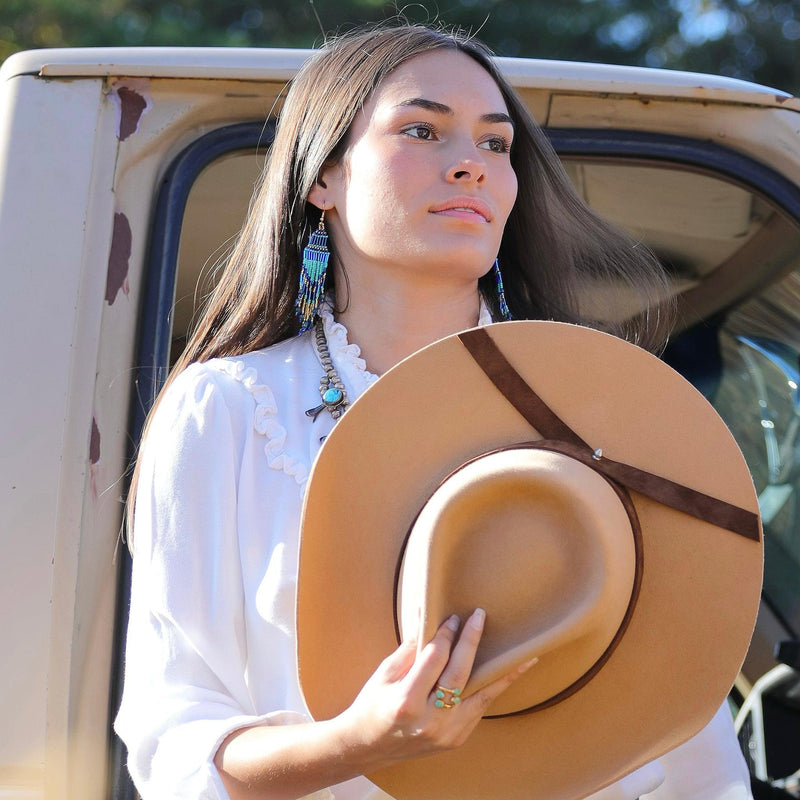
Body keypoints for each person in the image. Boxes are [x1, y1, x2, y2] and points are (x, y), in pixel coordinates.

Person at [115, 23, 753, 800]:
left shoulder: (606, 405)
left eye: (495, 145)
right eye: (422, 129)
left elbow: (690, 738)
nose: (470, 166)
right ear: (324, 175)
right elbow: (171, 736)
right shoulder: (228, 412)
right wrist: (357, 743)